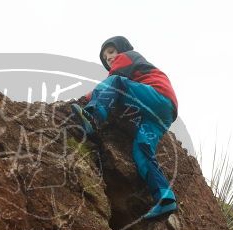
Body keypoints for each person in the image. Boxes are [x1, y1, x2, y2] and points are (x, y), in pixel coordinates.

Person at [70, 36, 179, 220]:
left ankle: (94, 117)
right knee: (142, 149)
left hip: (156, 94)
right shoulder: (132, 64)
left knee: (117, 82)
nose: (109, 58)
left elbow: (113, 81)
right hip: (165, 112)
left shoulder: (129, 56)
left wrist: (87, 97)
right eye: (105, 58)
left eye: (111, 52)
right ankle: (164, 197)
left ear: (121, 49)